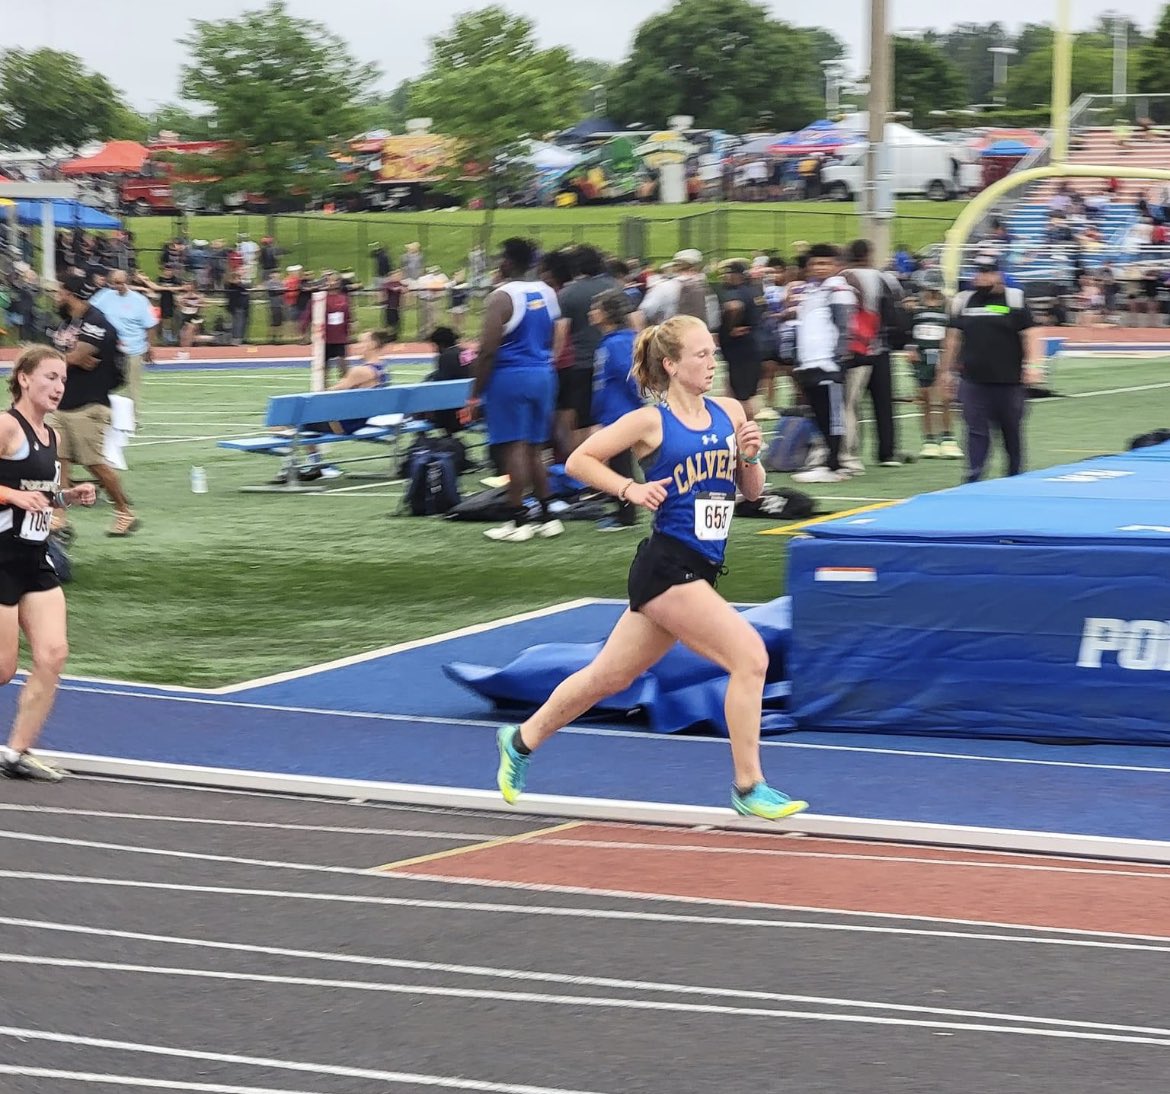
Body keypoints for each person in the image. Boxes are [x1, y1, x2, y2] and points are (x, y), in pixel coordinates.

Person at [493, 314, 809, 821]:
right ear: (671, 364)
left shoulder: (729, 413)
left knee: (607, 678)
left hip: (701, 568)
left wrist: (750, 458)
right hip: (668, 569)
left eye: (713, 353)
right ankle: (749, 786)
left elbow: (751, 494)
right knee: (749, 657)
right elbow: (579, 461)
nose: (712, 362)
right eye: (701, 354)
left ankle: (521, 740)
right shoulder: (650, 422)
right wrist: (630, 489)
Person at [0, 346, 97, 782]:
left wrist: (67, 498)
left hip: (34, 559)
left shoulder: (51, 435)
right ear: (23, 378)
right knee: (3, 669)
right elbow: (19, 493)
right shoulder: (6, 426)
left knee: (53, 653)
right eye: (50, 377)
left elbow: (41, 493)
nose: (58, 387)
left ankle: (16, 753)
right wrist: (13, 496)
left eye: (62, 379)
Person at [464, 238, 564, 543]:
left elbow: (488, 351)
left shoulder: (501, 296)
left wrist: (474, 393)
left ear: (508, 262)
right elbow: (557, 333)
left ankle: (517, 517)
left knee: (514, 447)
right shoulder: (547, 292)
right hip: (542, 373)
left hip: (511, 376)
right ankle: (547, 515)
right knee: (536, 447)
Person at [48, 271, 138, 537]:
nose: (56, 297)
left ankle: (124, 511)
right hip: (62, 403)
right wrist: (65, 358)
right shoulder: (69, 323)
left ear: (70, 294)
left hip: (88, 405)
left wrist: (66, 359)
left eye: (59, 292)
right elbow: (65, 356)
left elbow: (78, 355)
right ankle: (60, 515)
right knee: (59, 460)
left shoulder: (96, 322)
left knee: (94, 463)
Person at [942, 255, 1042, 484]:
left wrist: (1034, 366)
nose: (981, 276)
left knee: (1011, 433)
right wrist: (946, 372)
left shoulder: (1014, 300)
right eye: (978, 271)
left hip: (1009, 382)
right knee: (975, 432)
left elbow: (1031, 334)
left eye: (987, 271)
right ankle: (973, 479)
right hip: (974, 381)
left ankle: (1015, 477)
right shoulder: (964, 301)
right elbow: (953, 339)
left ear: (998, 274)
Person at [589, 289, 642, 531]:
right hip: (612, 413)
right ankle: (621, 507)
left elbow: (630, 376)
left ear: (609, 314)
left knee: (621, 465)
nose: (592, 312)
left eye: (596, 308)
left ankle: (627, 514)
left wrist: (640, 403)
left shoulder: (619, 342)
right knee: (615, 463)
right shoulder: (611, 341)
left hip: (622, 414)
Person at [905, 273, 961, 460]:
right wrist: (910, 347)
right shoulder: (915, 307)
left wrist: (950, 357)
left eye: (935, 290)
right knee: (925, 398)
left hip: (941, 353)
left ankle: (948, 438)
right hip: (921, 355)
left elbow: (953, 333)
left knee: (945, 398)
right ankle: (929, 440)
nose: (932, 293)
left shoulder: (949, 306)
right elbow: (907, 331)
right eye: (929, 289)